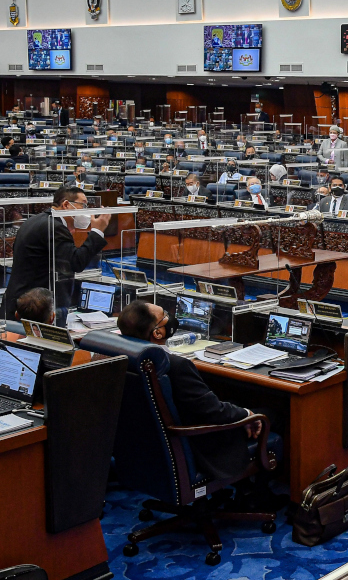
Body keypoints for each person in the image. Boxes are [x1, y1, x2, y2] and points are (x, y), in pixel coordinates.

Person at [116, 300, 262, 480]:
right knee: (270, 415)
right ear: (158, 332)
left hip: (146, 449)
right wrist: (247, 414)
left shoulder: (124, 357)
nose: (170, 318)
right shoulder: (177, 367)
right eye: (165, 316)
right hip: (198, 448)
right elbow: (213, 411)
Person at [1, 187, 110, 322]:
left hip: (21, 303)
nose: (86, 210)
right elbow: (76, 262)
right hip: (32, 309)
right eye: (83, 205)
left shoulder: (38, 220)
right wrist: (97, 232)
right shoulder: (54, 227)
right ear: (65, 204)